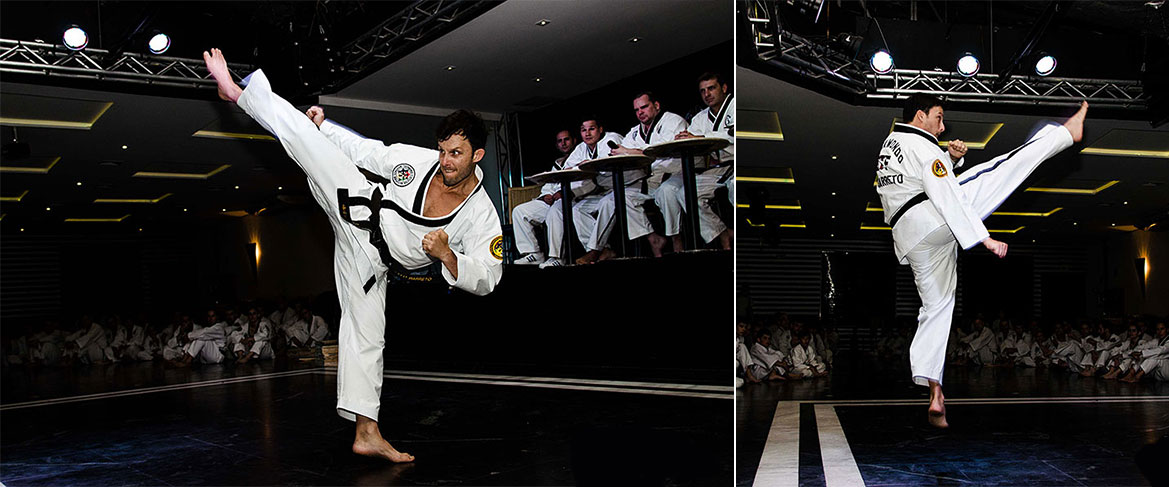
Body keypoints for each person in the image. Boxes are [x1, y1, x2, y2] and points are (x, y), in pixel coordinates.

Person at [204, 48, 502, 463]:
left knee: (368, 337)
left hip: (372, 265)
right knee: (310, 143)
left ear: (477, 156)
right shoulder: (416, 163)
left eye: (456, 154)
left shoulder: (481, 213)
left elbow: (489, 276)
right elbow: (366, 151)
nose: (445, 161)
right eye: (442, 150)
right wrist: (325, 128)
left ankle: (367, 433)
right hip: (357, 209)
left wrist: (449, 256)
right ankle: (238, 93)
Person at [875, 92, 1087, 428]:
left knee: (936, 308)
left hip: (912, 239)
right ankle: (1063, 135)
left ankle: (934, 389)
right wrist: (982, 238)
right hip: (933, 218)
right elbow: (945, 193)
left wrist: (950, 158)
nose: (942, 127)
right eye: (939, 117)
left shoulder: (892, 145)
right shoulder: (920, 145)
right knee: (997, 170)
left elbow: (921, 179)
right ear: (920, 115)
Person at [607, 91, 687, 256]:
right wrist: (624, 151)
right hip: (652, 180)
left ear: (656, 106)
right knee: (622, 197)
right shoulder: (635, 132)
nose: (640, 112)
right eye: (637, 110)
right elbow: (621, 150)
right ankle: (653, 238)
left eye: (644, 107)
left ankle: (676, 239)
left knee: (667, 191)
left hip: (677, 174)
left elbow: (661, 149)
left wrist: (629, 151)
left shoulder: (673, 121)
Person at [664, 72, 735, 251]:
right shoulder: (700, 118)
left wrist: (702, 137)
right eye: (703, 91)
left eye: (711, 88)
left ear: (724, 88)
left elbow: (734, 136)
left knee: (736, 188)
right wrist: (683, 137)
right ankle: (722, 233)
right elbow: (692, 138)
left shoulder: (736, 106)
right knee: (685, 194)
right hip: (718, 168)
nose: (707, 94)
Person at [572, 116, 652, 265]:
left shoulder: (611, 138)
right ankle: (603, 250)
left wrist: (589, 164)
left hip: (631, 185)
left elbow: (608, 161)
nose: (587, 133)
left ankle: (594, 251)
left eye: (592, 129)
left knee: (608, 202)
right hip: (609, 190)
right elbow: (569, 166)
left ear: (600, 129)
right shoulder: (581, 148)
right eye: (583, 130)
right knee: (578, 209)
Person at [511, 130, 577, 265]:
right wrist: (545, 196)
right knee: (520, 211)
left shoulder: (579, 156)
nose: (563, 143)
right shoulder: (557, 163)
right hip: (554, 201)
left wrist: (565, 193)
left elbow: (585, 182)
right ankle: (534, 253)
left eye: (566, 139)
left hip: (572, 200)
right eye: (560, 141)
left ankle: (558, 258)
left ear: (574, 140)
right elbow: (549, 185)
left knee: (554, 212)